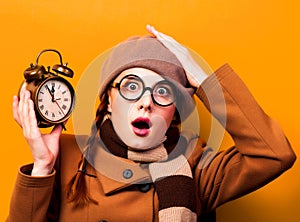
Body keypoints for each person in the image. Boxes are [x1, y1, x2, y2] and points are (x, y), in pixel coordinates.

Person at [8, 25, 296, 222]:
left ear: (175, 110)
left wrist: (207, 83)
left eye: (163, 91)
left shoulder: (198, 165)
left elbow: (274, 154)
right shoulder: (67, 156)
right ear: (108, 98)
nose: (146, 102)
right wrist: (42, 167)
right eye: (131, 87)